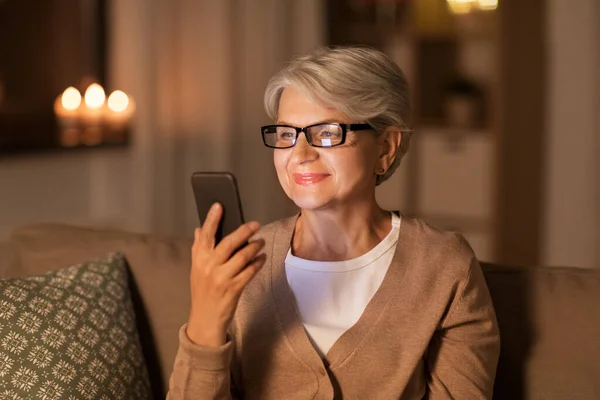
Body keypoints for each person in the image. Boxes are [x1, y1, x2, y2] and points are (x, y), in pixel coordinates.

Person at [167, 46, 500, 399]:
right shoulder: (241, 263)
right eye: (285, 134)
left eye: (327, 133)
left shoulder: (444, 265)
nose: (300, 154)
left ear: (386, 147)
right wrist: (206, 320)